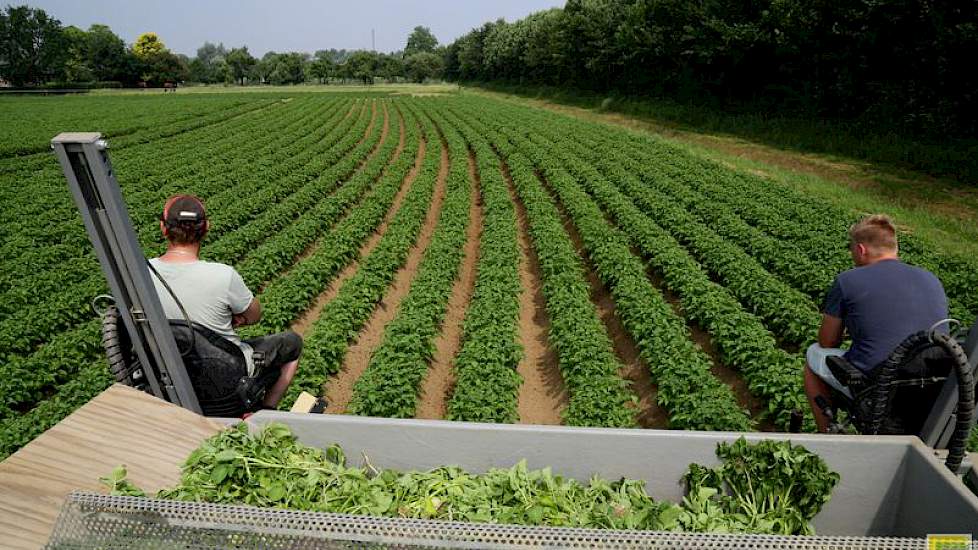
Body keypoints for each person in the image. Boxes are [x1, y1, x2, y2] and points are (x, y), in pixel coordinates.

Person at [148, 194, 301, 408]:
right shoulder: (223, 275)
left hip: (168, 370)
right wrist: (236, 317)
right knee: (292, 344)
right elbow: (255, 315)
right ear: (206, 228)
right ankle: (265, 409)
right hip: (226, 375)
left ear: (163, 228)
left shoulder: (142, 273)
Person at [804, 214, 948, 432]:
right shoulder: (931, 278)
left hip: (878, 385)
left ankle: (828, 435)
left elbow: (827, 341)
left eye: (852, 249)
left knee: (813, 355)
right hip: (932, 385)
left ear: (861, 250)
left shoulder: (848, 280)